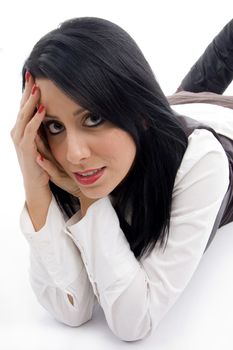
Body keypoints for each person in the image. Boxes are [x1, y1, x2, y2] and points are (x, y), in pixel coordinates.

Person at [10, 17, 233, 342]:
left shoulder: (201, 164)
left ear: (138, 110)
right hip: (176, 105)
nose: (74, 154)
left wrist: (88, 200)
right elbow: (71, 309)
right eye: (55, 126)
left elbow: (134, 323)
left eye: (93, 117)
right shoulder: (73, 162)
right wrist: (35, 183)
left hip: (217, 128)